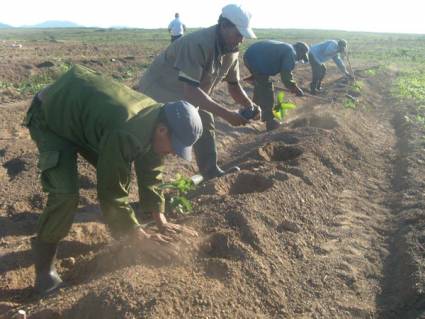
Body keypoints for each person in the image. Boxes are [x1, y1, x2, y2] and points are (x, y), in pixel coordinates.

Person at [24, 64, 203, 296]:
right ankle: (44, 272)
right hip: (50, 116)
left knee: (116, 168)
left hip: (83, 118)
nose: (173, 153)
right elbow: (111, 193)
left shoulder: (157, 119)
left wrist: (160, 218)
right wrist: (138, 237)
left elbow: (152, 172)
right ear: (162, 131)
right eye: (175, 146)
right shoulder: (127, 131)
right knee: (65, 194)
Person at [137, 4, 260, 180]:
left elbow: (233, 86)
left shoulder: (230, 51)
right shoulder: (198, 44)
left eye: (243, 36)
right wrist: (227, 115)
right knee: (162, 133)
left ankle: (210, 171)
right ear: (224, 26)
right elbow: (191, 91)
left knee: (205, 121)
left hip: (191, 93)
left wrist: (250, 105)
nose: (241, 40)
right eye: (238, 34)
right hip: (161, 89)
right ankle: (150, 190)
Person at [243, 40, 309, 131]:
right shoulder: (291, 52)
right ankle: (270, 121)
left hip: (252, 56)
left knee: (261, 86)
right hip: (255, 59)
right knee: (267, 90)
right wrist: (294, 87)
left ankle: (252, 111)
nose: (299, 59)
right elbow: (286, 74)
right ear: (300, 51)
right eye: (301, 57)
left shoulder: (287, 48)